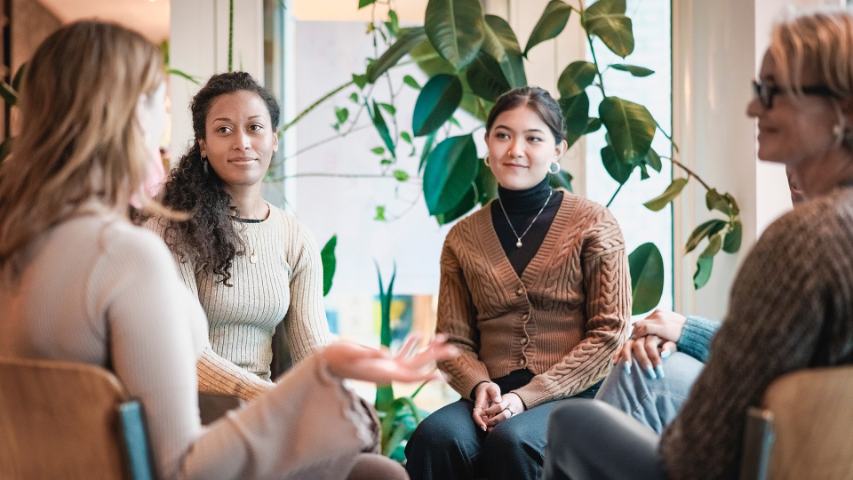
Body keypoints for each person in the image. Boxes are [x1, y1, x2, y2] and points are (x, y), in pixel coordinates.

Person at [0, 20, 457, 480]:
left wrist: (321, 366)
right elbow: (184, 467)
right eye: (157, 109)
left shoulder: (20, 245)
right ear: (122, 118)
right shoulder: (126, 256)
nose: (161, 133)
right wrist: (318, 377)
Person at [544, 8, 853, 479]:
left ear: (842, 110)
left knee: (581, 414)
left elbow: (705, 444)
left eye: (772, 93)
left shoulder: (806, 240)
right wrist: (685, 332)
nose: (753, 109)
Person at [405, 86, 631, 480]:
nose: (516, 150)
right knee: (435, 437)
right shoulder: (462, 237)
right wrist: (479, 386)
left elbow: (609, 334)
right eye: (503, 135)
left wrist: (525, 398)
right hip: (490, 394)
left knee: (514, 440)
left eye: (533, 138)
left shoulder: (594, 223)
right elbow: (453, 341)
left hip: (573, 394)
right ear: (488, 144)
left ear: (558, 150)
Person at [147, 71, 331, 401]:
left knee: (362, 447)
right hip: (188, 407)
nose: (242, 142)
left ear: (273, 139)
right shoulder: (171, 228)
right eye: (223, 130)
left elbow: (313, 349)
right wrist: (271, 399)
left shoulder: (295, 237)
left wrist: (340, 393)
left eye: (254, 128)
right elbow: (187, 354)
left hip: (263, 407)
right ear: (203, 145)